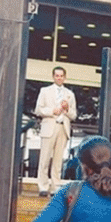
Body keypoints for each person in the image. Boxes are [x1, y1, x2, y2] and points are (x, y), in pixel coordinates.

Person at [36, 66, 77, 196]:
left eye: (61, 75)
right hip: (49, 127)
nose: (59, 78)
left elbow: (74, 115)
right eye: (57, 75)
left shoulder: (70, 94)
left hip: (62, 128)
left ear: (65, 77)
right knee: (44, 159)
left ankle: (55, 187)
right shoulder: (45, 91)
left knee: (58, 160)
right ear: (53, 77)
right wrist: (51, 111)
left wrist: (66, 109)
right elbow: (38, 110)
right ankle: (43, 187)